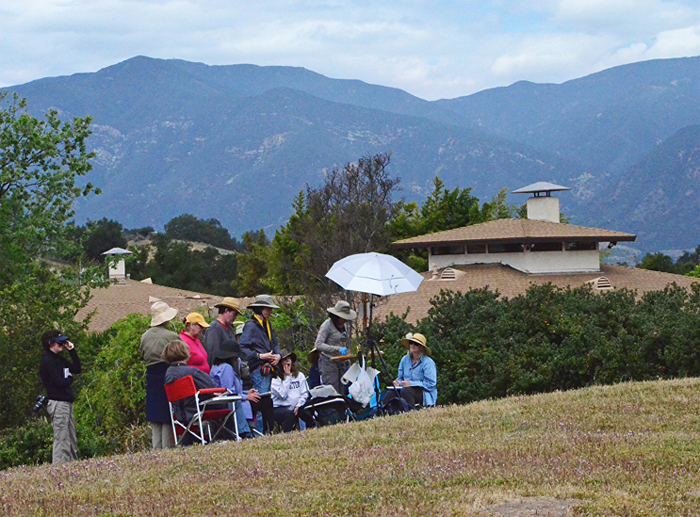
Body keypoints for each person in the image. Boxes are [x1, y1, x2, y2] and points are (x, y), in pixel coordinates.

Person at [210, 340, 272, 438]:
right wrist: (246, 396)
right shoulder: (226, 368)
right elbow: (229, 392)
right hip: (229, 403)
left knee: (261, 399)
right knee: (265, 402)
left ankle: (255, 429)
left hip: (228, 400)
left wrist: (246, 392)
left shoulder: (216, 367)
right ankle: (248, 431)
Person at [239, 295, 282, 434]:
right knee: (260, 401)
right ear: (260, 309)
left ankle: (265, 431)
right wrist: (259, 356)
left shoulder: (267, 324)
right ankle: (258, 432)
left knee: (266, 402)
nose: (269, 312)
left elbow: (274, 343)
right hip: (258, 369)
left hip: (268, 369)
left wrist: (278, 356)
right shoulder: (251, 325)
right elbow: (242, 347)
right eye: (267, 308)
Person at [39, 330, 82, 464]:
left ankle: (73, 464)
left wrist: (72, 351)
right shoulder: (47, 361)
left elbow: (77, 368)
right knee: (61, 437)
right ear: (50, 344)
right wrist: (69, 379)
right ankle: (59, 467)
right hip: (57, 403)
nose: (62, 345)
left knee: (70, 436)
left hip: (66, 402)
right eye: (60, 343)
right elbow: (59, 382)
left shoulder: (59, 359)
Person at [140, 301, 179, 449]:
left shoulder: (144, 337)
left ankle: (156, 448)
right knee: (167, 413)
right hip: (167, 373)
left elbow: (142, 354)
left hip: (151, 375)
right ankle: (167, 447)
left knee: (155, 415)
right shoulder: (171, 336)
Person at [384, 333, 437, 410]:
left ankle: (410, 413)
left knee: (406, 391)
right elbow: (400, 377)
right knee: (391, 393)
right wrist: (397, 382)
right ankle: (384, 414)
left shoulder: (428, 362)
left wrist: (411, 384)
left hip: (423, 392)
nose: (412, 345)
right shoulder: (404, 359)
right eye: (411, 343)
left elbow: (431, 384)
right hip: (404, 389)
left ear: (421, 347)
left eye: (416, 344)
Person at [315, 300, 357, 395]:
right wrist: (337, 349)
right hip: (328, 363)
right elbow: (318, 345)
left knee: (342, 391)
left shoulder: (343, 326)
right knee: (332, 391)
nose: (345, 320)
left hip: (341, 363)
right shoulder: (327, 326)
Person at [271, 350, 314, 432]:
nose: (287, 361)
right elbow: (282, 395)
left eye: (289, 358)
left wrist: (298, 405)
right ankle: (288, 434)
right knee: (288, 415)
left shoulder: (299, 375)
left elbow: (305, 393)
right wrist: (287, 377)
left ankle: (312, 428)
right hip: (281, 407)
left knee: (307, 407)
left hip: (297, 405)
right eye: (284, 359)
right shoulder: (275, 379)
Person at [204, 297, 241, 368]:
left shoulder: (230, 328)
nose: (235, 317)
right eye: (234, 314)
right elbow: (212, 354)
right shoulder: (214, 328)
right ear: (226, 310)